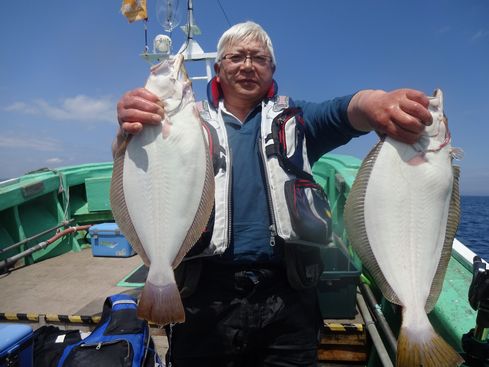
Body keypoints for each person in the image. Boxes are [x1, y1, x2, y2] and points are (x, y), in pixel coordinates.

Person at [114, 21, 432, 367]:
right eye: (236, 57)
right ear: (218, 69)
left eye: (258, 58)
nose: (247, 65)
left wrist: (377, 102)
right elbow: (139, 166)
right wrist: (129, 133)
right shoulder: (184, 122)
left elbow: (347, 110)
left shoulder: (298, 120)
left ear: (272, 69)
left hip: (288, 295)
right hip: (204, 293)